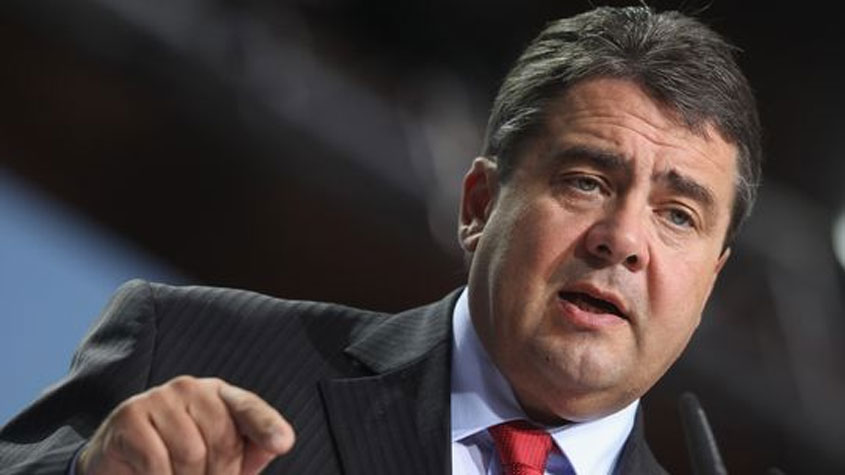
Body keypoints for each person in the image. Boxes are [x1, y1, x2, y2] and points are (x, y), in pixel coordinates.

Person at [0, 6, 761, 475]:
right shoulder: (192, 352)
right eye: (586, 181)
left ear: (709, 283)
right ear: (479, 205)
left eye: (677, 215)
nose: (622, 240)